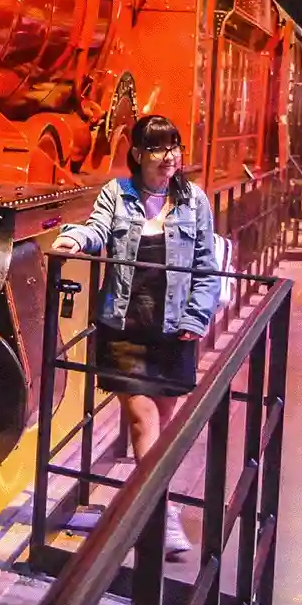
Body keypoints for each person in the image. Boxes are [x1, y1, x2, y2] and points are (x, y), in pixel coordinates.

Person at [52, 115, 220, 556]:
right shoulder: (118, 194)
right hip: (124, 326)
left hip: (174, 328)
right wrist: (74, 240)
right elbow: (97, 229)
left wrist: (197, 318)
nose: (170, 158)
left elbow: (206, 267)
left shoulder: (194, 201)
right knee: (142, 420)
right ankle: (163, 519)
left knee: (163, 427)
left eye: (175, 147)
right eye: (160, 149)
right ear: (139, 154)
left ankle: (146, 506)